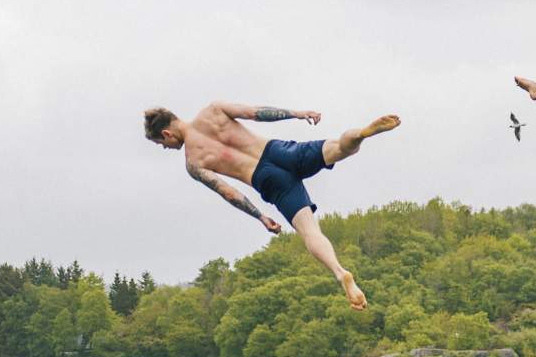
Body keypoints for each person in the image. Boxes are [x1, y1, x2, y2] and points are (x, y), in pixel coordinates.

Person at [143, 102, 401, 309]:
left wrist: (261, 217)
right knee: (340, 148)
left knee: (309, 231)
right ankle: (361, 134)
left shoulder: (193, 162)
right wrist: (298, 114)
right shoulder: (213, 111)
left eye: (161, 144)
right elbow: (257, 113)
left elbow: (228, 192)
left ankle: (339, 271)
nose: (166, 147)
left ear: (166, 133)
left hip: (266, 180)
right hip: (278, 152)